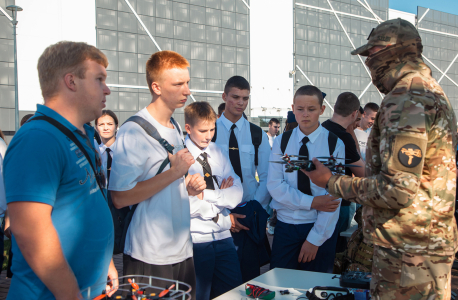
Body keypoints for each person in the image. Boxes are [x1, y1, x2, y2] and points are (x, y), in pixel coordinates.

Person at [304, 19, 457, 299]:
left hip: (406, 252)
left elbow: (397, 189)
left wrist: (332, 182)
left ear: (393, 52)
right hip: (424, 247)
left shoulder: (406, 98)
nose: (368, 63)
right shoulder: (431, 92)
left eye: (371, 54)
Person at [3, 41, 117, 299]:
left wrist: (104, 263)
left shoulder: (85, 132)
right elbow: (32, 234)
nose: (107, 89)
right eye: (99, 79)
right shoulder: (38, 138)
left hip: (89, 287)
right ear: (71, 81)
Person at [109, 50, 206, 298]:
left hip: (182, 248)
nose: (187, 91)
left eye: (187, 83)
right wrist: (176, 174)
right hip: (150, 253)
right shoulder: (133, 131)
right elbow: (120, 197)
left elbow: (165, 182)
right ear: (157, 87)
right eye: (178, 84)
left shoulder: (173, 125)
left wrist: (187, 186)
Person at [267, 85, 343, 273]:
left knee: (315, 287)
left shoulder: (334, 143)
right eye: (300, 109)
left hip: (319, 226)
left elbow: (335, 195)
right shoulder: (281, 141)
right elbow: (275, 185)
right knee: (280, 285)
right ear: (293, 109)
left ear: (322, 110)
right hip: (286, 226)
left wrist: (315, 239)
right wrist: (312, 202)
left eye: (312, 109)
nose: (305, 114)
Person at [213, 75, 271, 281]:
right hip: (217, 216)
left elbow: (266, 176)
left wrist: (256, 208)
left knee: (249, 278)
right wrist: (222, 216)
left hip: (249, 214)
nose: (240, 103)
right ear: (224, 96)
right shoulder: (209, 132)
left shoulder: (257, 134)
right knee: (221, 281)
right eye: (235, 97)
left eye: (245, 98)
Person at [184, 101, 243, 300]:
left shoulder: (217, 151)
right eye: (202, 130)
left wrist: (204, 195)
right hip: (196, 238)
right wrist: (219, 207)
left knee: (232, 293)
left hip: (223, 236)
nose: (208, 135)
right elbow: (185, 202)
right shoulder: (180, 157)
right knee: (199, 295)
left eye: (212, 129)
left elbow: (237, 193)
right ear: (188, 128)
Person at [322, 92, 365, 253]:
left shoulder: (321, 129)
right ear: (354, 114)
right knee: (336, 251)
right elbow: (362, 172)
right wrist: (351, 132)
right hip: (339, 202)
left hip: (318, 198)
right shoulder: (344, 137)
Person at [95, 109, 118, 183]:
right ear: (96, 127)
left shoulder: (125, 151)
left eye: (110, 124)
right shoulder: (95, 152)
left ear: (116, 126)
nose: (105, 128)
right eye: (101, 124)